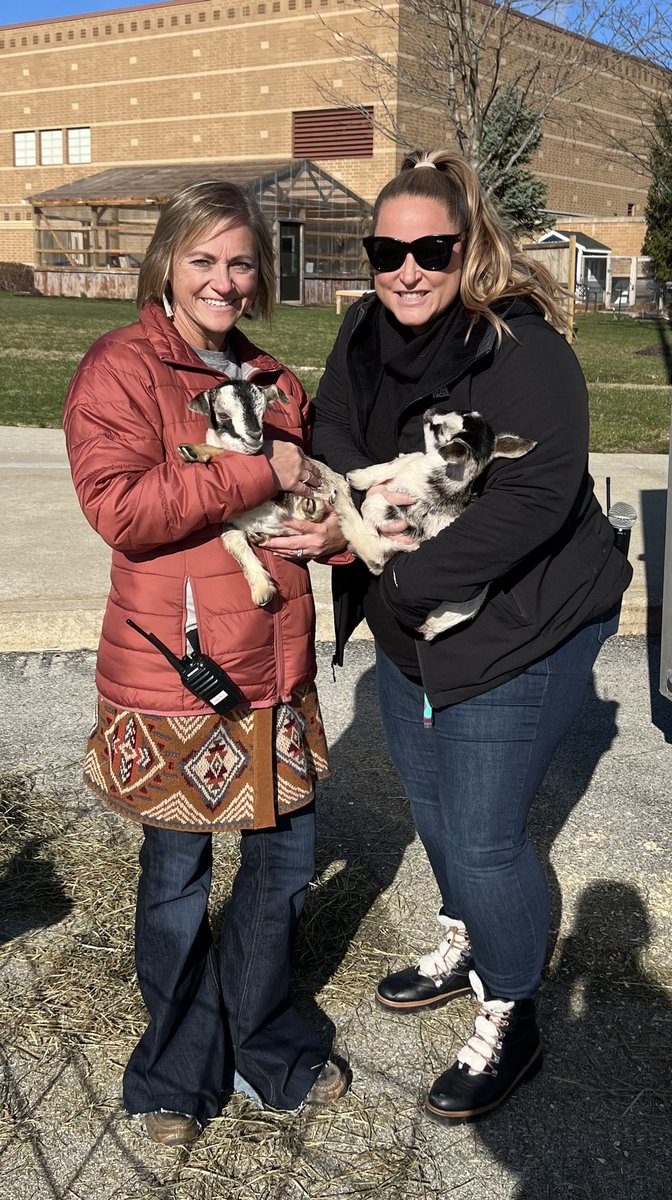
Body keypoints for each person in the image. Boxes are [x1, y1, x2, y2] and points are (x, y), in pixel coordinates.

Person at [312, 147, 632, 1123]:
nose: (406, 268)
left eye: (431, 249)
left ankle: (511, 1010)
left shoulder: (524, 352)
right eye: (387, 248)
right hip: (414, 613)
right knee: (435, 806)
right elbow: (331, 428)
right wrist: (362, 520)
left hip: (521, 621)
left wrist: (394, 567)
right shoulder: (365, 326)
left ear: (470, 249)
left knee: (487, 839)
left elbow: (530, 505)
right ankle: (467, 938)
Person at [63, 179, 349, 1146]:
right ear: (168, 264)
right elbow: (122, 509)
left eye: (240, 262)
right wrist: (258, 469)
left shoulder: (274, 377)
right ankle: (177, 1072)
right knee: (178, 879)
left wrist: (335, 542)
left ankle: (270, 1042)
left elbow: (311, 501)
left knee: (284, 870)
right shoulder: (123, 368)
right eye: (204, 260)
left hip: (281, 663)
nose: (224, 280)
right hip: (180, 668)